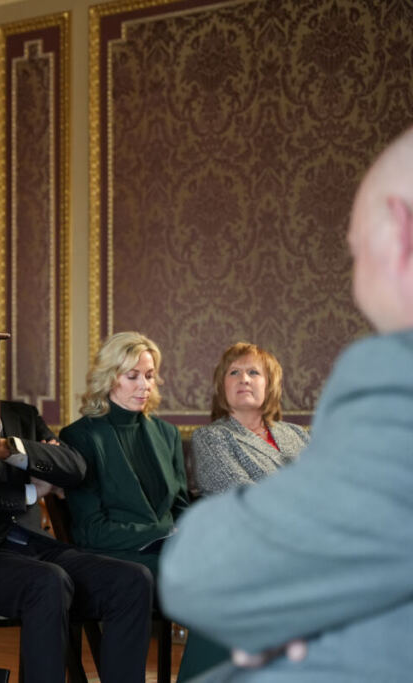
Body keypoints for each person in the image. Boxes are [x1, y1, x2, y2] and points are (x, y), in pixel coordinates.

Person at [159, 127, 413, 681]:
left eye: (355, 251)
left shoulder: (387, 374)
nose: (354, 278)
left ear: (402, 231)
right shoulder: (216, 439)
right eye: (234, 372)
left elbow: (195, 569)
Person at [0, 304, 153, 683]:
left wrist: (8, 448)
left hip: (35, 546)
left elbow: (73, 467)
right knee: (48, 582)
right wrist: (31, 490)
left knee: (132, 580)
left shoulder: (22, 416)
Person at [58, 331, 189, 577]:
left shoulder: (168, 434)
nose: (145, 385)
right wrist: (163, 535)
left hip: (170, 553)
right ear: (108, 379)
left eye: (149, 376)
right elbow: (90, 530)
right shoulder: (80, 437)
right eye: (133, 376)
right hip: (112, 556)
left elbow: (181, 510)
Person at [192, 342, 309, 496]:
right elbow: (243, 498)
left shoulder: (298, 434)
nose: (244, 379)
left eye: (253, 372)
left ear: (269, 385)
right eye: (234, 372)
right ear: (222, 386)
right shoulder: (210, 438)